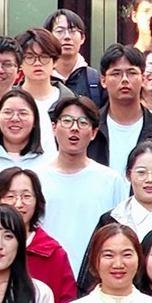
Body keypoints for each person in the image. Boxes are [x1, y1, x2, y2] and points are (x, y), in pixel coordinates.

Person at [37, 97, 129, 262]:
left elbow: (120, 233)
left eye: (83, 122)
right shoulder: (36, 178)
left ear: (93, 133)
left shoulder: (111, 180)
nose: (74, 128)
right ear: (54, 128)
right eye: (67, 121)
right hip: (46, 269)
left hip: (95, 272)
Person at [0, 167, 78, 303]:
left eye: (26, 196)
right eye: (10, 196)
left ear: (37, 201)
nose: (18, 204)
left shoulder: (53, 254)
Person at [98, 44, 152, 172]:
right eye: (116, 73)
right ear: (103, 81)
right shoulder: (90, 127)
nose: (124, 79)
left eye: (132, 73)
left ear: (143, 79)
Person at [46, 9, 105, 109]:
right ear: (48, 37)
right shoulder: (40, 78)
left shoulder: (94, 80)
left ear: (82, 38)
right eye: (60, 31)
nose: (67, 37)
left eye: (73, 31)